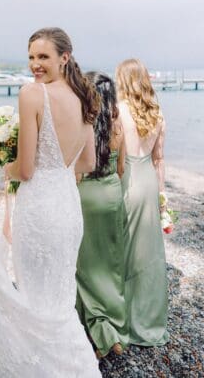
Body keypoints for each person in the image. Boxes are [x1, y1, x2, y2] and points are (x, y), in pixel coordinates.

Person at [0, 27, 101, 377]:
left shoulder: (32, 95)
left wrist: (5, 164)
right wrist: (58, 169)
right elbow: (88, 164)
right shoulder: (86, 96)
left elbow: (26, 169)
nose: (35, 64)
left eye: (43, 56)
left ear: (64, 57)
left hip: (38, 212)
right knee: (60, 301)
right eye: (31, 57)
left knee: (35, 301)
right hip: (67, 207)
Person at [75, 71, 130, 357]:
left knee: (85, 266)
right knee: (111, 263)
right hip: (111, 194)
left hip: (86, 196)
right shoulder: (117, 123)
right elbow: (122, 168)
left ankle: (98, 333)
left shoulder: (82, 121)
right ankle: (113, 329)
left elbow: (77, 170)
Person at [115, 58, 169, 347]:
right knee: (148, 251)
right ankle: (148, 318)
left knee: (123, 248)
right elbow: (160, 160)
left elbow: (116, 160)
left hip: (127, 180)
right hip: (148, 181)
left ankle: (122, 318)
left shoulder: (119, 112)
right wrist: (162, 201)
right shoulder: (158, 114)